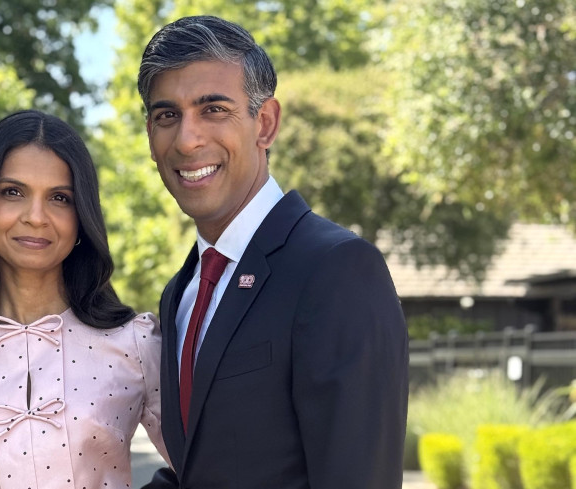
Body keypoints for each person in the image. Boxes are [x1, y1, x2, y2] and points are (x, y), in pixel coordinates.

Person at [137, 16, 409, 488]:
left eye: (213, 109)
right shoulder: (179, 294)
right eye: (167, 116)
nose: (187, 139)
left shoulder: (337, 270)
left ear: (265, 123)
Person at [0, 110, 169, 489]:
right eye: (13, 192)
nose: (36, 217)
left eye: (60, 198)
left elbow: (207, 471)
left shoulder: (137, 345)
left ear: (81, 216)